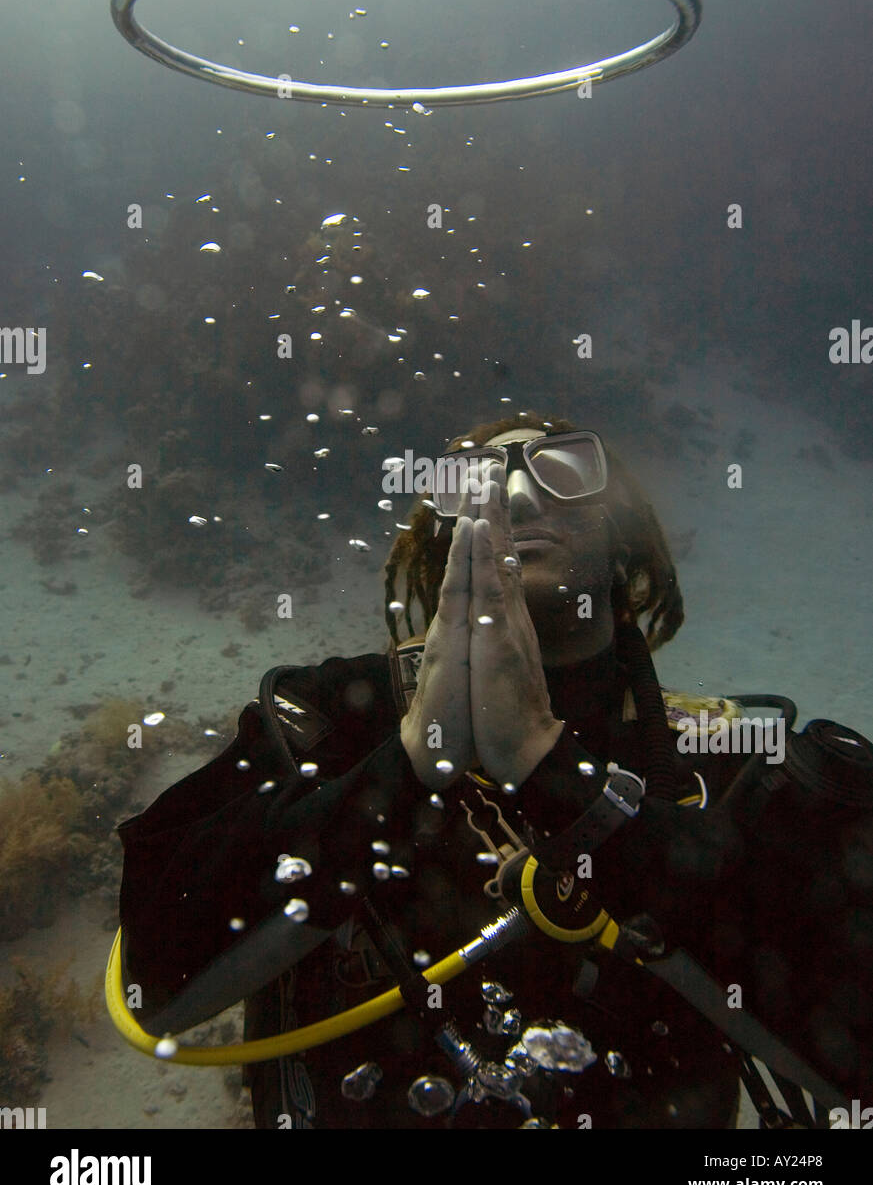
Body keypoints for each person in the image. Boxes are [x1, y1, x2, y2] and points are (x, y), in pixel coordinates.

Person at [116, 411, 873, 1129]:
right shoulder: (326, 719)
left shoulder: (729, 759)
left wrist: (558, 775)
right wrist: (409, 761)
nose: (515, 493)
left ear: (624, 536)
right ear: (439, 541)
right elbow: (154, 987)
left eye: (565, 470)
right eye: (473, 480)